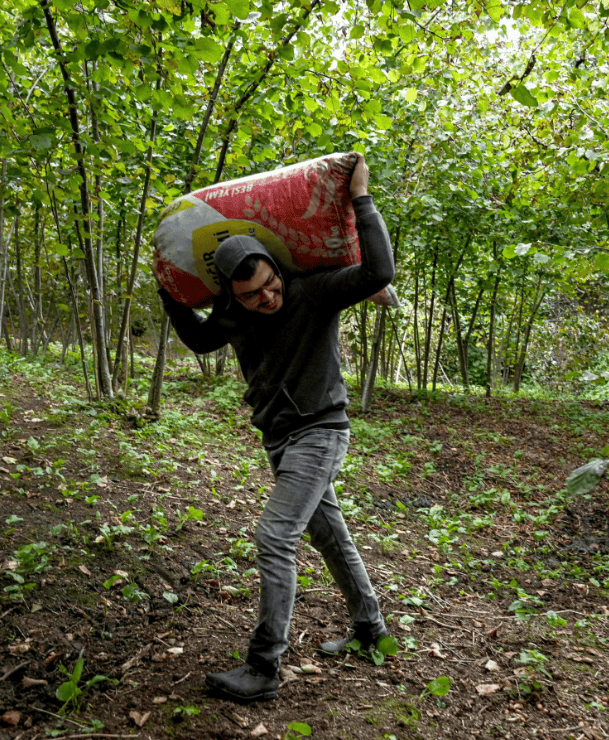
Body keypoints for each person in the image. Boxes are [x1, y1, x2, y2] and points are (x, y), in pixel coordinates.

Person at [157, 153, 393, 703]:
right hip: (280, 438)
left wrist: (361, 197)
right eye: (251, 296)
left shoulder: (315, 292)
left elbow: (378, 273)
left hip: (321, 430)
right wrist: (170, 290)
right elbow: (199, 339)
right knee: (327, 533)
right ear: (232, 297)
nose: (267, 298)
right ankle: (370, 628)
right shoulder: (234, 315)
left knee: (274, 537)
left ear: (275, 268)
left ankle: (264, 668)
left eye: (269, 285)